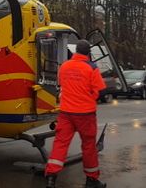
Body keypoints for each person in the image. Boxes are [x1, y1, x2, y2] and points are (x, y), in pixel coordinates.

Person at [45, 40, 107, 188]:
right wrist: (91, 97)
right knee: (88, 146)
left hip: (66, 112)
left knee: (60, 144)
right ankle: (91, 180)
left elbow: (62, 84)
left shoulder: (65, 66)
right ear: (88, 52)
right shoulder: (91, 68)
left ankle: (51, 178)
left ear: (76, 51)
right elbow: (101, 90)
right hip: (85, 114)